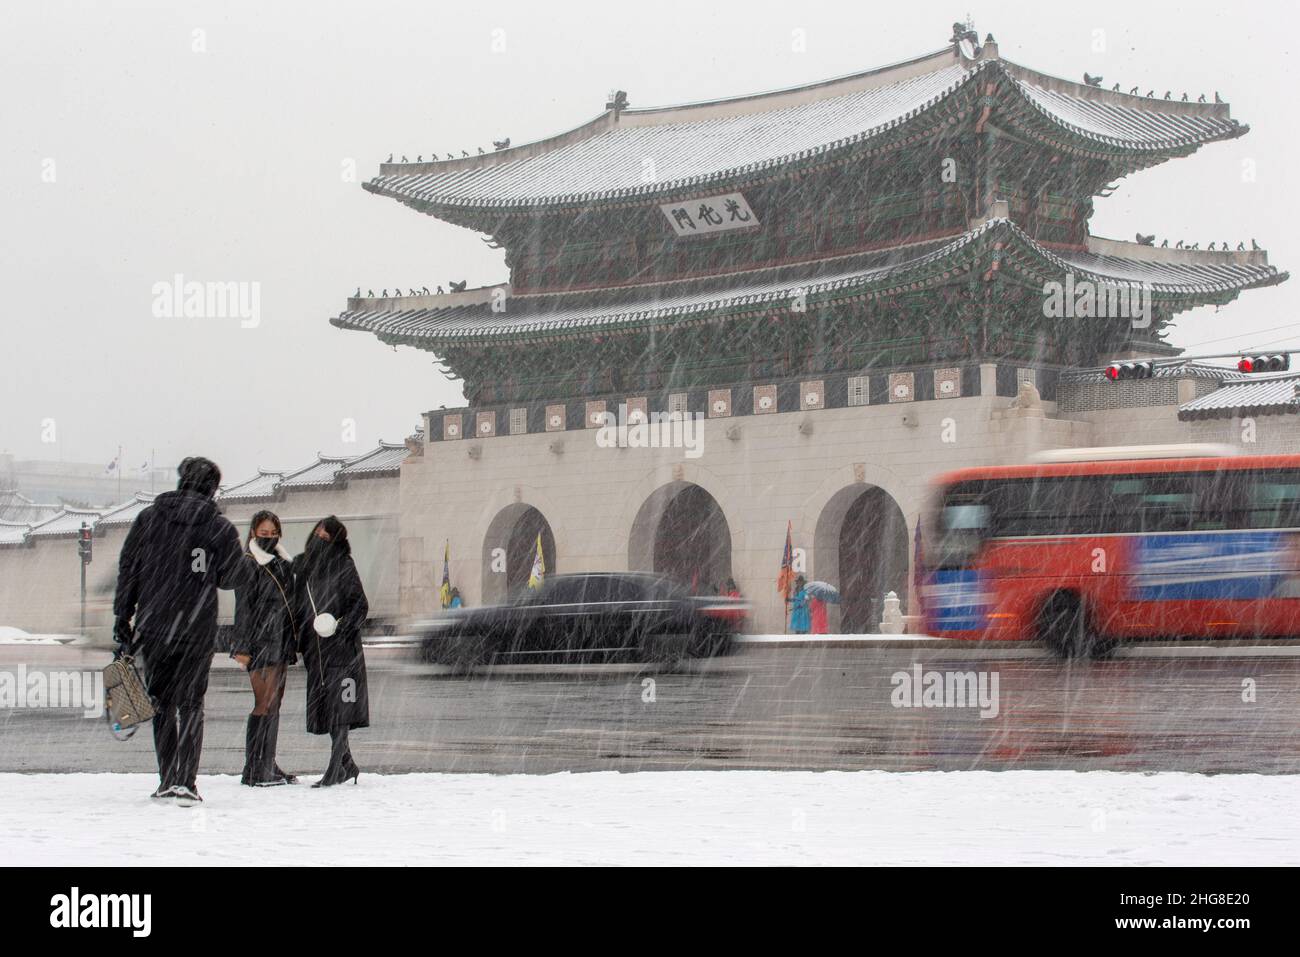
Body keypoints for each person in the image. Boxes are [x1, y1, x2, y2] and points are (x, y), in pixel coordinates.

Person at [112, 457, 243, 805]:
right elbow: (232, 579)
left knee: (161, 704)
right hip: (197, 629)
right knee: (192, 705)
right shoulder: (219, 527)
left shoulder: (147, 520)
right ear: (213, 488)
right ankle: (186, 781)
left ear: (181, 480)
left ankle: (166, 778)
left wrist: (122, 619)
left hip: (154, 627)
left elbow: (128, 572)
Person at [295, 516, 369, 787]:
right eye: (317, 533)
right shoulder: (303, 565)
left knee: (340, 710)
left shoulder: (343, 565)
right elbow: (298, 606)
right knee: (328, 709)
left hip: (341, 650)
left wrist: (339, 627)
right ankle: (347, 764)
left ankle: (336, 768)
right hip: (315, 651)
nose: (319, 539)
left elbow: (360, 605)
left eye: (325, 537)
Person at [230, 510, 298, 786]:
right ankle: (255, 768)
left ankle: (266, 763)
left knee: (275, 703)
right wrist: (242, 647)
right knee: (264, 703)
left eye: (273, 534)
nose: (269, 538)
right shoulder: (247, 564)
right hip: (260, 642)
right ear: (253, 533)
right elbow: (243, 608)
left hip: (281, 640)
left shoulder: (283, 563)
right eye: (264, 533)